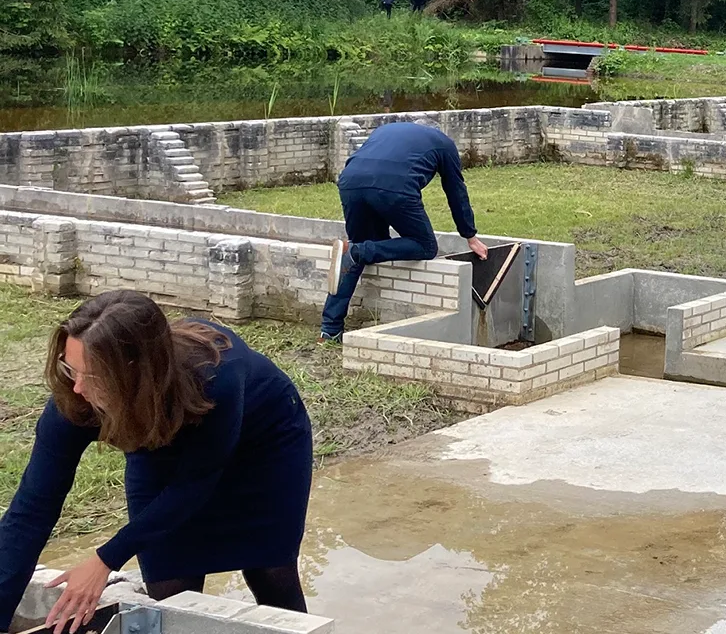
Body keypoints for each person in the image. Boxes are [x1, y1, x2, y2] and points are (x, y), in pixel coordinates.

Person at [0, 292, 314, 629]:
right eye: (69, 367)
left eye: (90, 376)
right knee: (170, 586)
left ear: (135, 371)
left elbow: (195, 483)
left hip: (262, 448)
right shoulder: (74, 400)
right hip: (158, 446)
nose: (76, 388)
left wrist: (104, 560)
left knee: (271, 573)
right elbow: (31, 511)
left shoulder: (215, 374)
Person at [325, 122, 488, 341]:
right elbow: (455, 191)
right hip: (394, 186)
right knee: (425, 245)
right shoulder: (444, 144)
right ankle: (355, 252)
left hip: (350, 182)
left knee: (360, 250)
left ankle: (330, 329)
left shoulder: (386, 130)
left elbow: (363, 159)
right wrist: (470, 235)